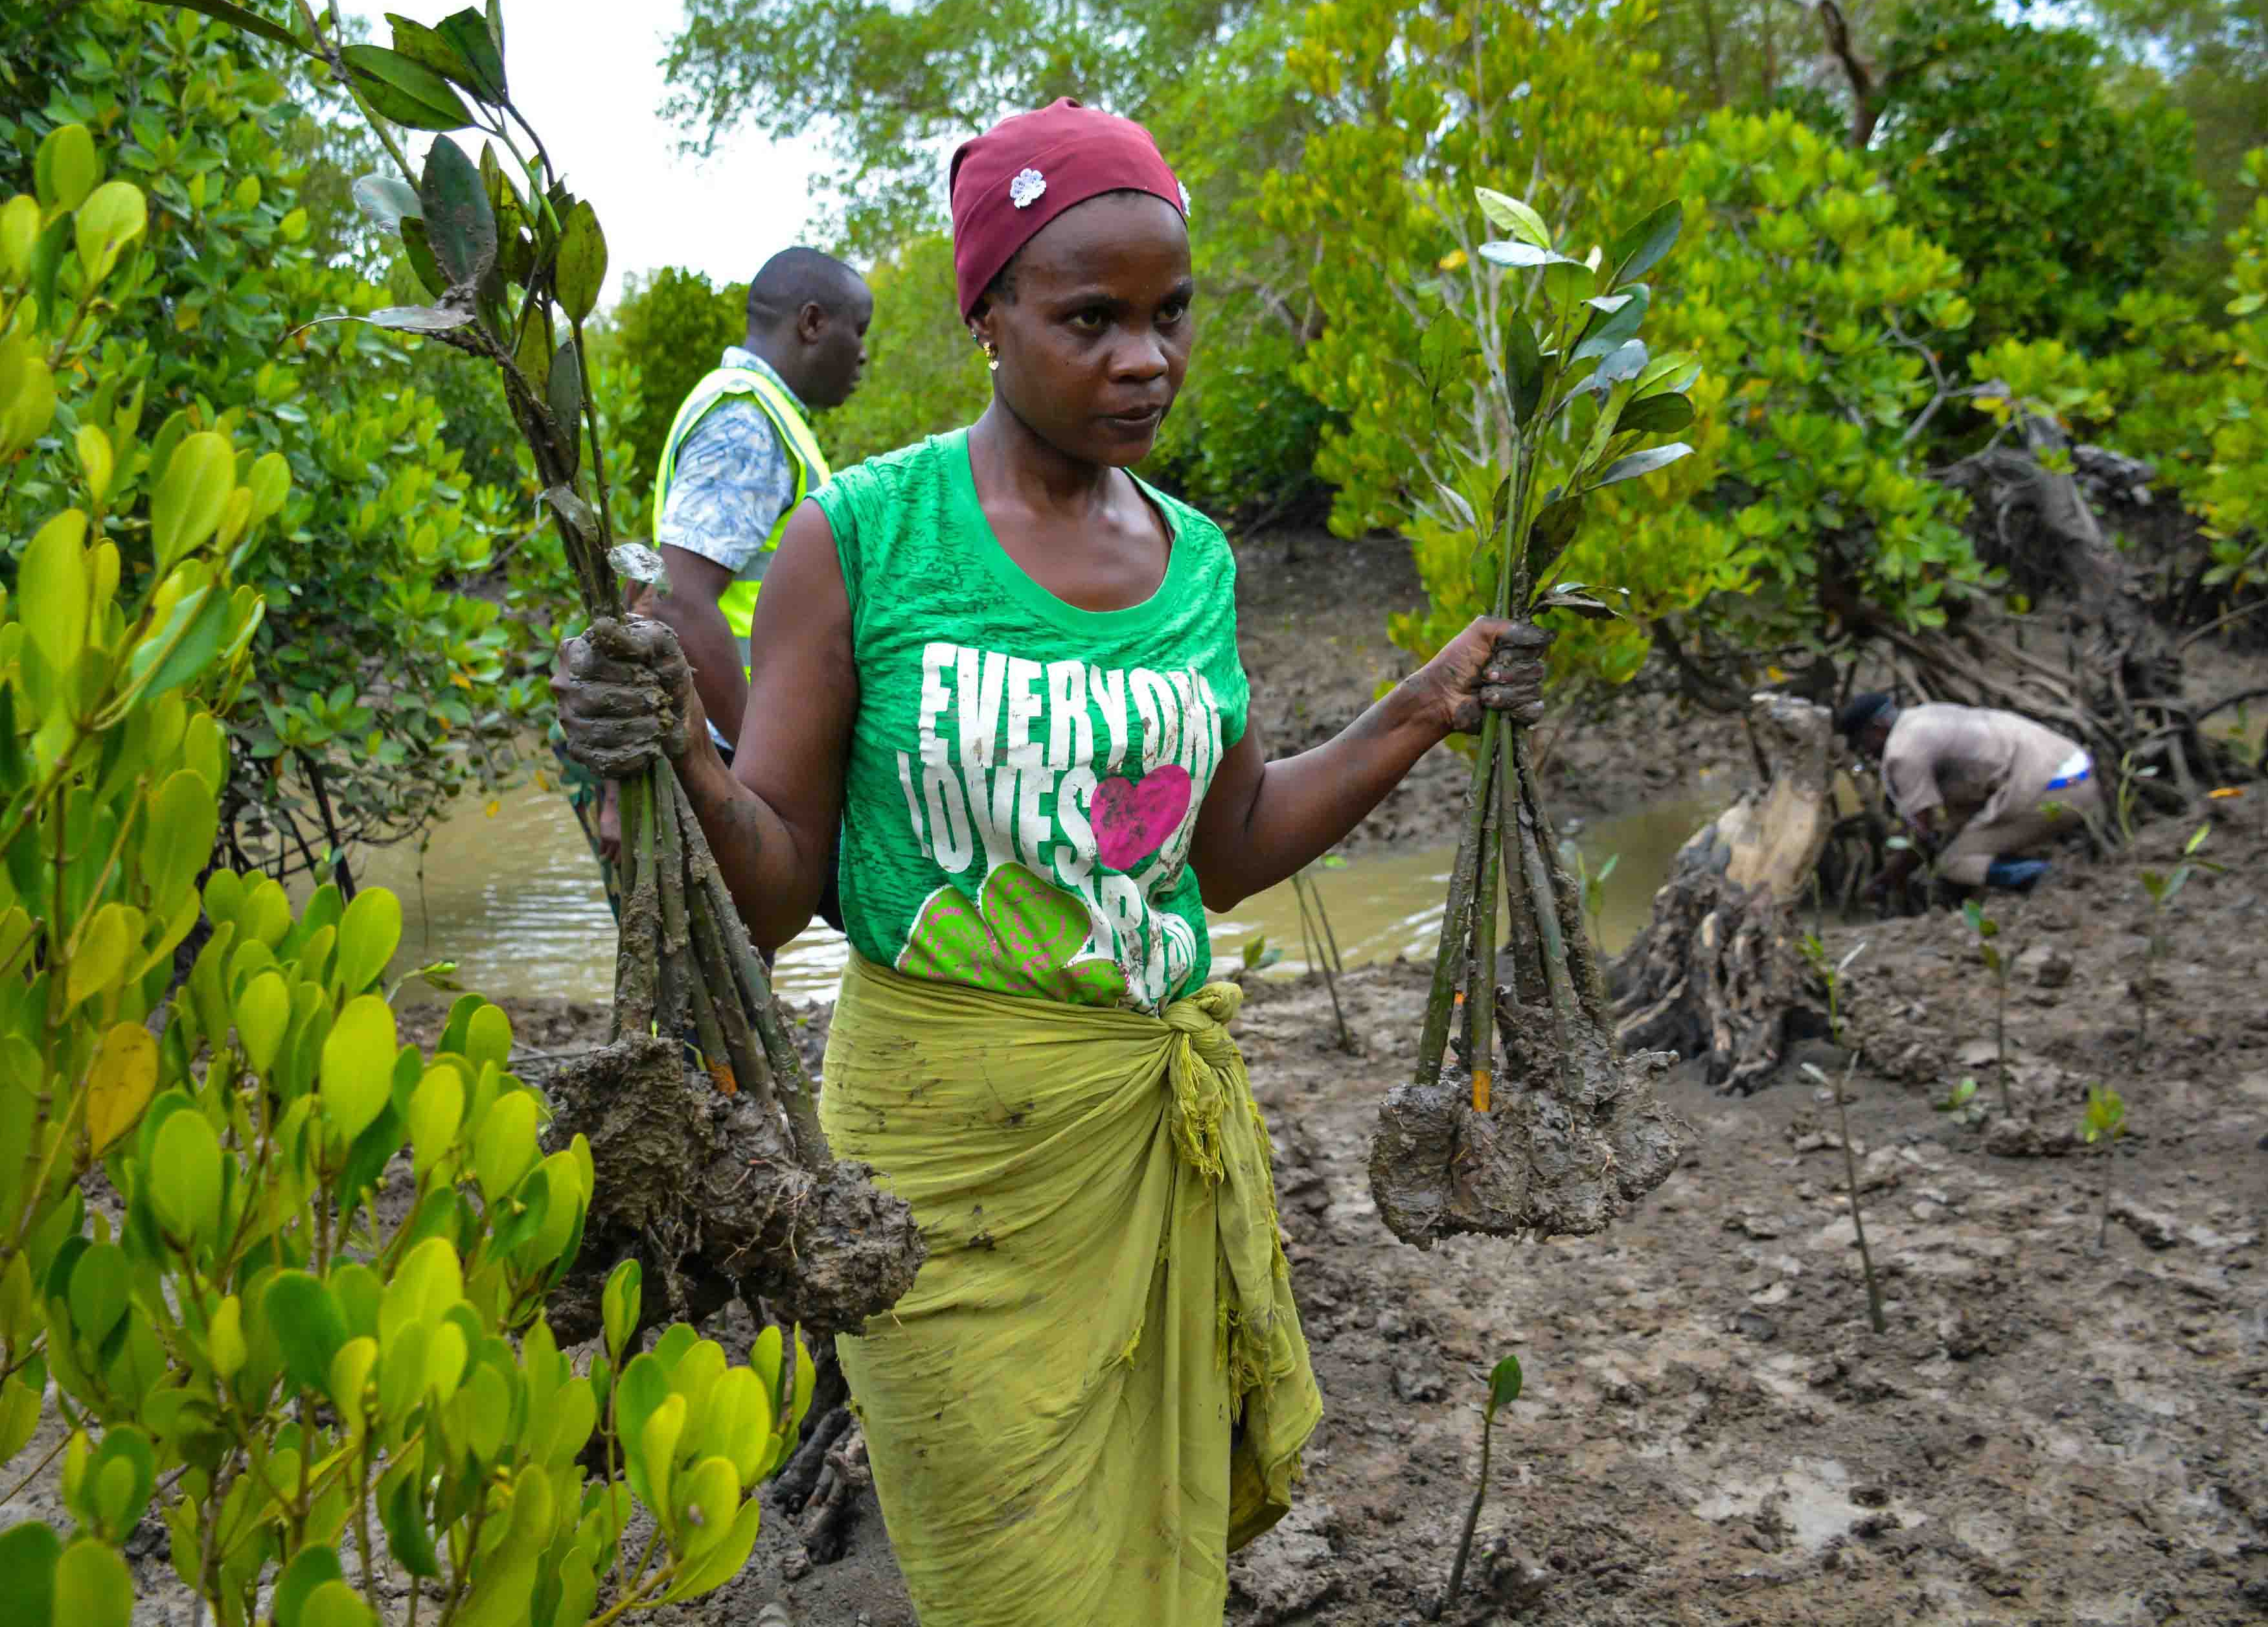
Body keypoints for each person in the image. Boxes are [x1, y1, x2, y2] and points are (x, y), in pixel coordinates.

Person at [551, 98, 1550, 1626]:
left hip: (1139, 1147)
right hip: (937, 1162)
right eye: (1093, 317)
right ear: (991, 313)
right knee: (1002, 1583)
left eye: (1169, 315)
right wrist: (684, 746)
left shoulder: (1198, 560)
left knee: (1153, 1573)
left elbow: (1222, 852)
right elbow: (777, 890)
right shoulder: (864, 537)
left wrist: (1422, 707)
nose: (1144, 357)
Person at [578, 245, 875, 936]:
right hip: (720, 749)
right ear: (810, 322)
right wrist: (761, 767)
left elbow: (650, 580)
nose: (862, 354)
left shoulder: (761, 415)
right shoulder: (747, 420)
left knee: (721, 981)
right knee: (715, 987)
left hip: (715, 745)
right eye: (856, 330)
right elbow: (679, 598)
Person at [1839, 691, 2100, 903]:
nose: (1867, 755)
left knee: (1954, 863)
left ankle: (2049, 879)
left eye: (1863, 744)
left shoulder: (1902, 752)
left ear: (1877, 729)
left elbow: (1923, 835)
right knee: (1967, 837)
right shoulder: (1927, 714)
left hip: (2054, 791)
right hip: (2080, 772)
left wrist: (1884, 882)